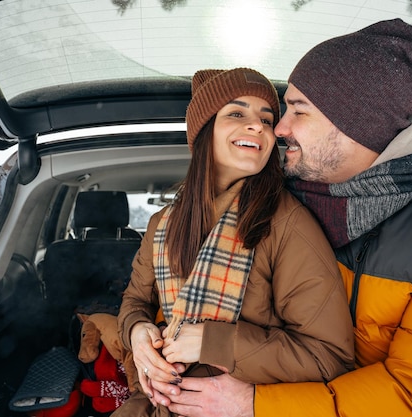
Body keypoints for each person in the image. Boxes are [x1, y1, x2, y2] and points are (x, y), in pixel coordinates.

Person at [150, 18, 412, 417]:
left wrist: (255, 405)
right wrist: (150, 340)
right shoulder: (270, 197)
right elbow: (192, 298)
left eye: (298, 110)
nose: (278, 129)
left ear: (354, 122)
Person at [114, 67, 355, 416]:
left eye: (267, 119)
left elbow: (327, 358)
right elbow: (135, 299)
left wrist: (215, 343)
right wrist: (137, 333)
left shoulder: (287, 224)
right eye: (237, 113)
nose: (257, 126)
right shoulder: (161, 224)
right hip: (156, 405)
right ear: (205, 130)